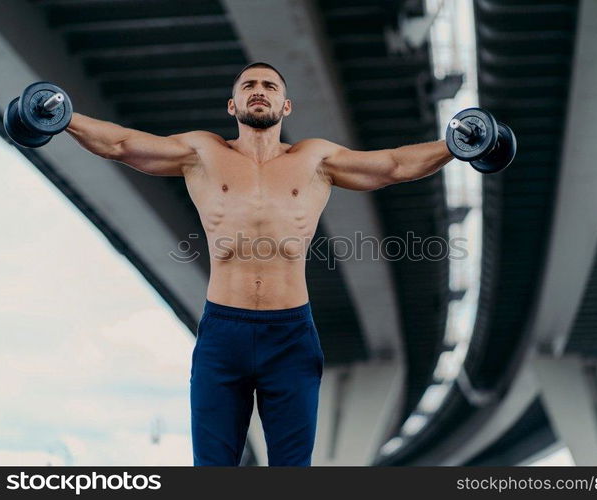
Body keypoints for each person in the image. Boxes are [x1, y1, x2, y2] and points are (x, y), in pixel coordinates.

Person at [65, 62, 455, 466]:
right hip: (222, 336)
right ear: (232, 106)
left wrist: (453, 145)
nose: (258, 89)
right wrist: (63, 115)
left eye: (269, 86)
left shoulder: (316, 158)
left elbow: (393, 165)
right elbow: (123, 144)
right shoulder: (202, 152)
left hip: (290, 338)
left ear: (286, 106)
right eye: (248, 85)